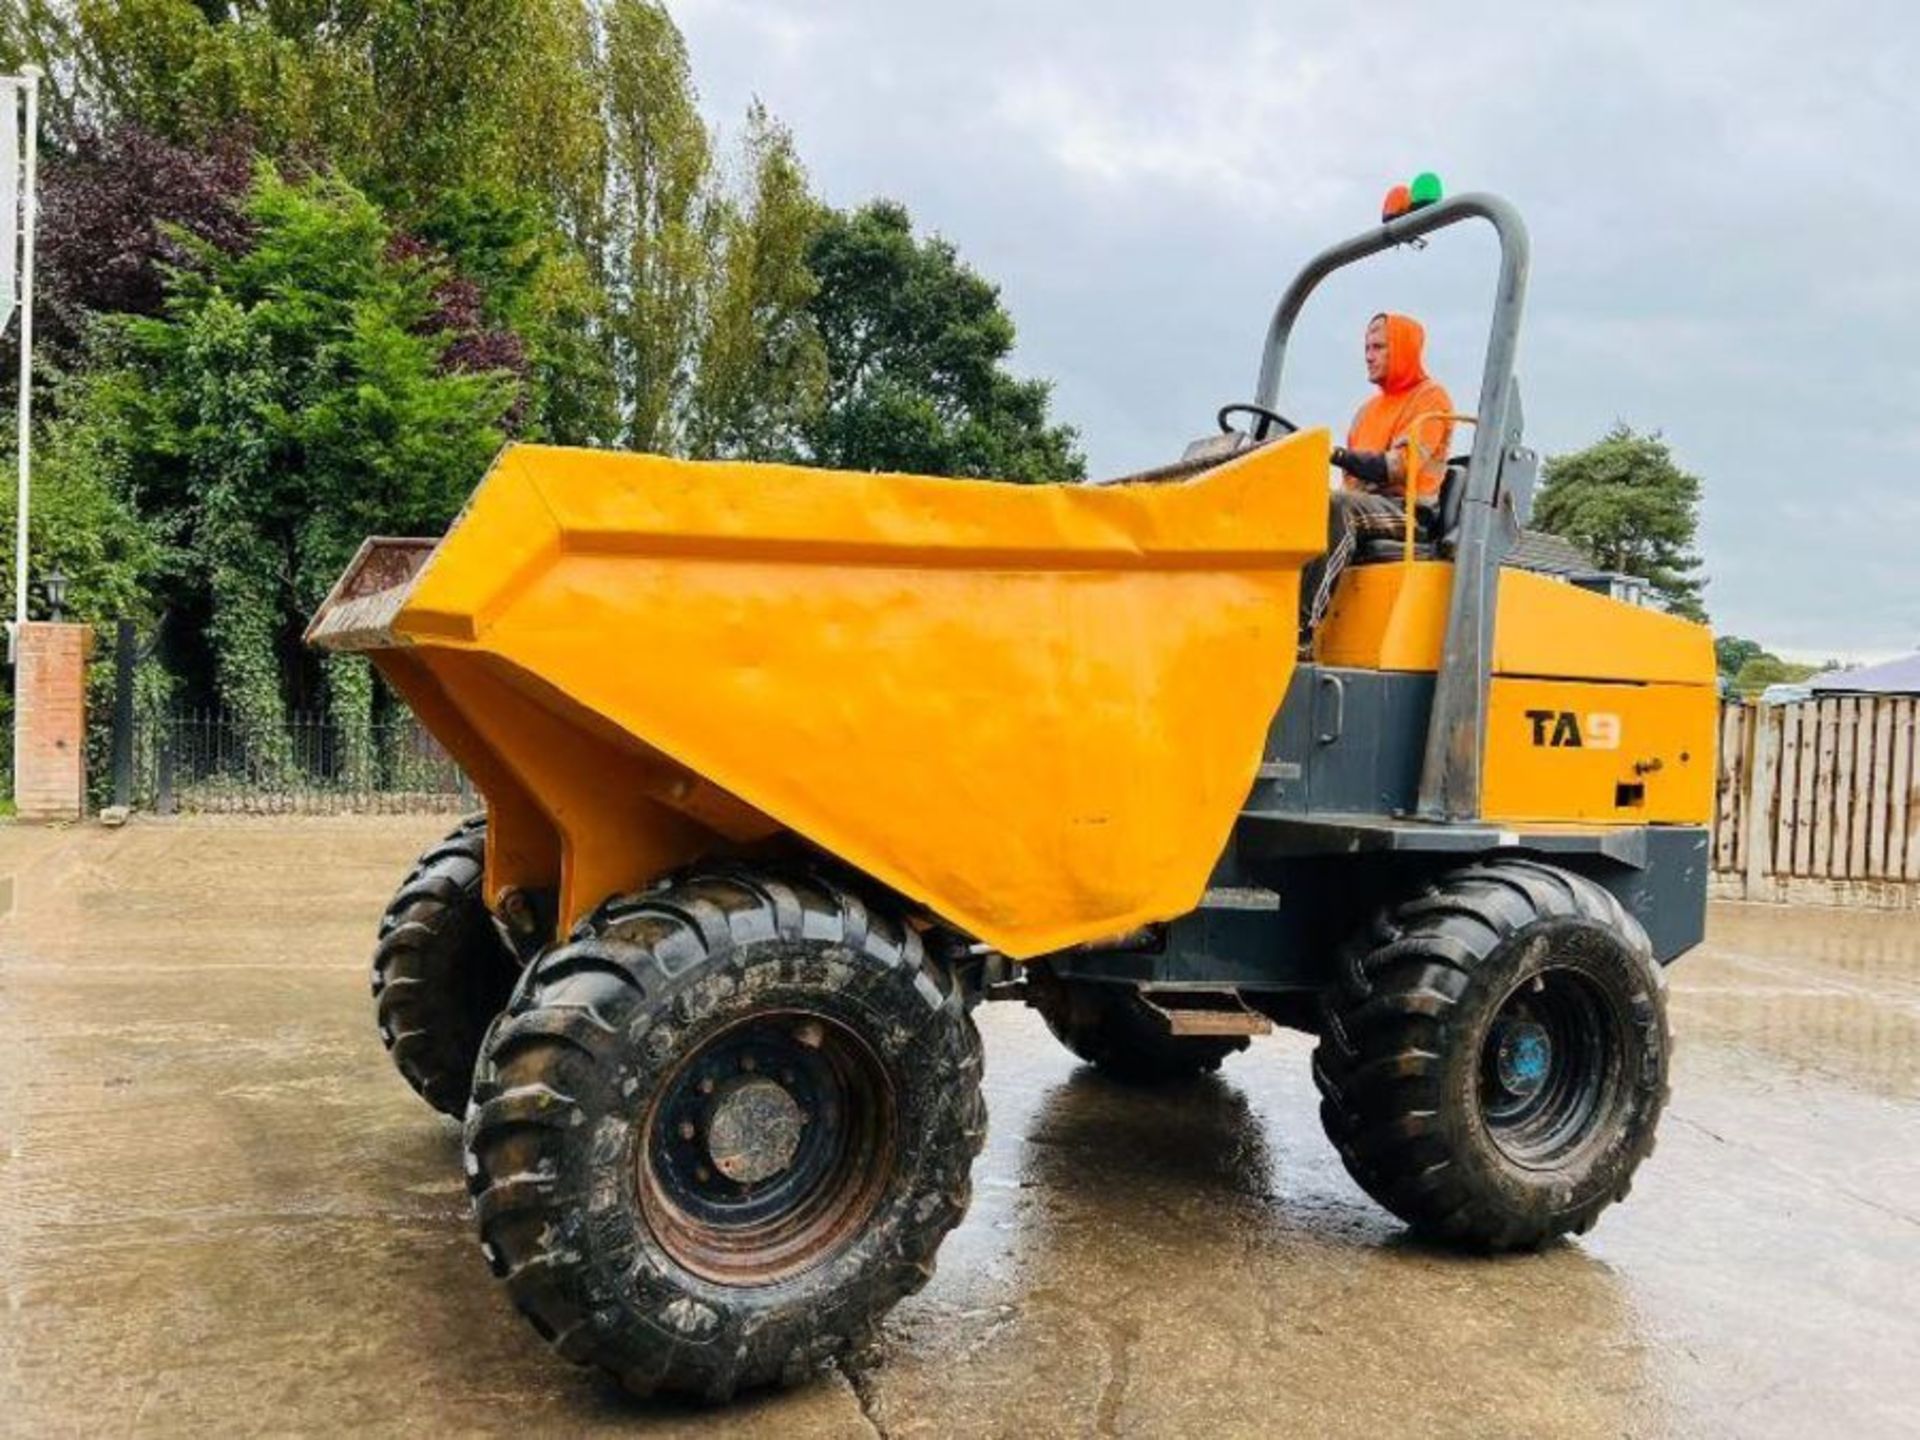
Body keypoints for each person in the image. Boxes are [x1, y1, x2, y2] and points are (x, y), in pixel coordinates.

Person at [1301, 312, 1454, 637]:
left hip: (1410, 513)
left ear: (1404, 348)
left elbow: (1399, 467)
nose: (1369, 356)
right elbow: (1351, 482)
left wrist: (1337, 455)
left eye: (1379, 347)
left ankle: (1302, 629)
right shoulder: (1366, 412)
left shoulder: (1431, 399)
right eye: (1367, 348)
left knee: (1341, 508)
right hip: (1371, 506)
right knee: (1306, 505)